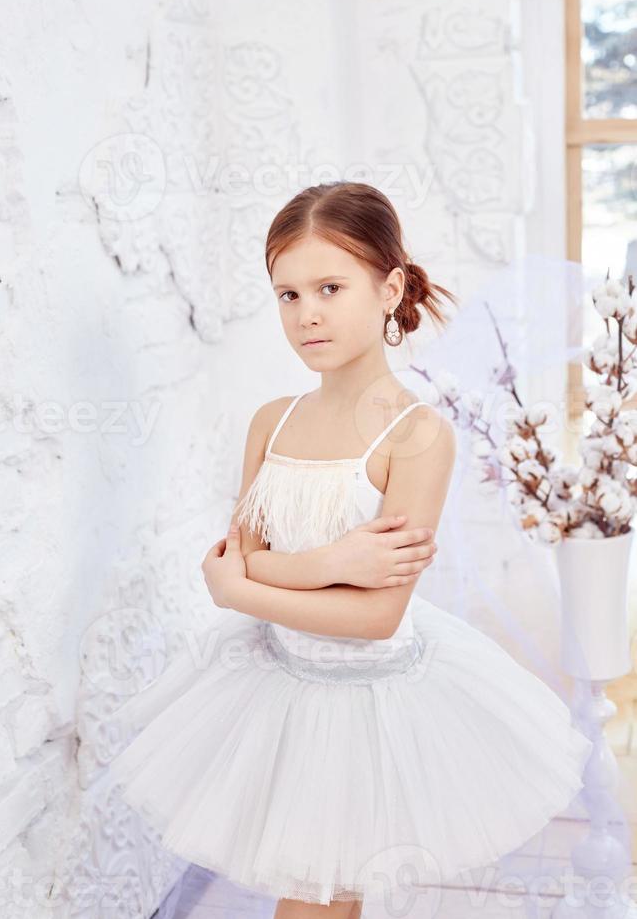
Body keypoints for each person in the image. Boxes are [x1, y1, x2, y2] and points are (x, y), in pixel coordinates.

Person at [107, 182, 593, 918]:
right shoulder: (272, 421)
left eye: (330, 287)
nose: (307, 314)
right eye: (287, 295)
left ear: (389, 287)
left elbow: (373, 618)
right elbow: (244, 559)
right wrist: (329, 567)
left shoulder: (416, 436)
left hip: (364, 704)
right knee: (311, 888)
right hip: (275, 684)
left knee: (321, 894)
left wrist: (241, 588)